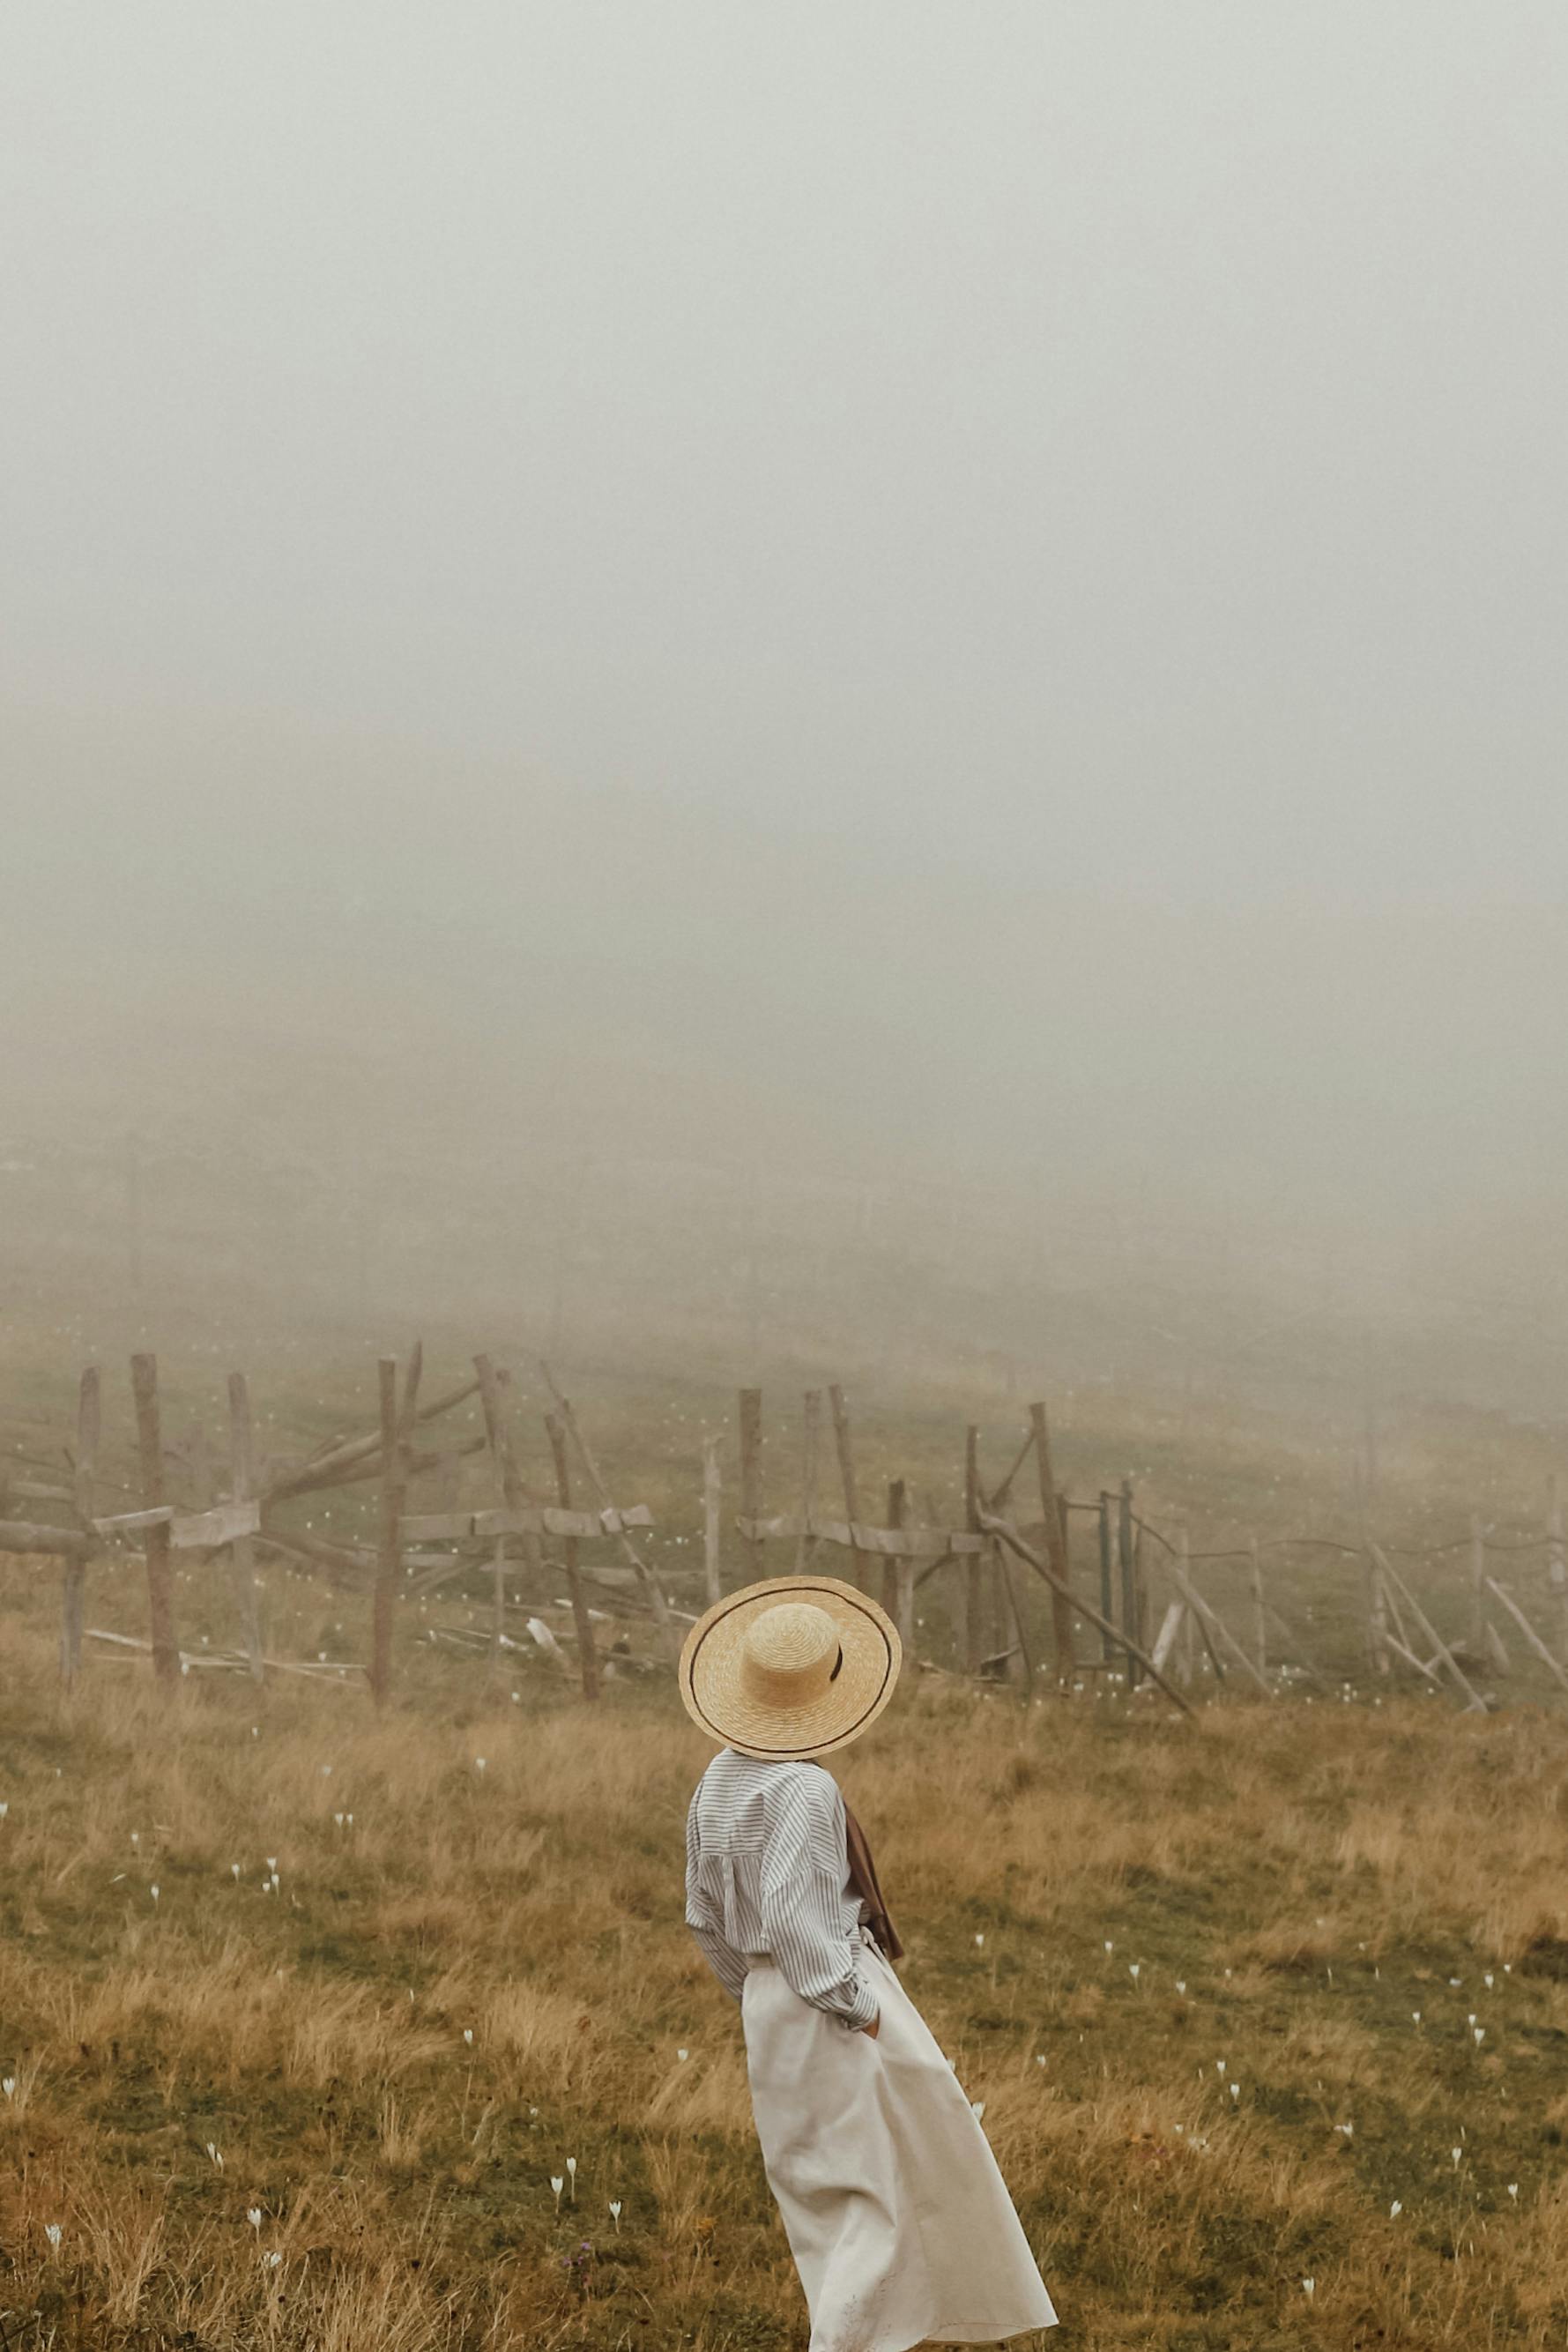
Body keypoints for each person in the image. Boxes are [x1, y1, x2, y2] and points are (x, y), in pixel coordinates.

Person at [680, 1573, 1059, 2352]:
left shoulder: (717, 1779)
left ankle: (891, 2328)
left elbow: (704, 1915)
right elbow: (791, 1915)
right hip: (829, 1997)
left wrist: (755, 1993)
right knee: (875, 2194)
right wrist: (858, 2005)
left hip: (772, 2003)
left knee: (829, 2194)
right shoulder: (802, 1788)